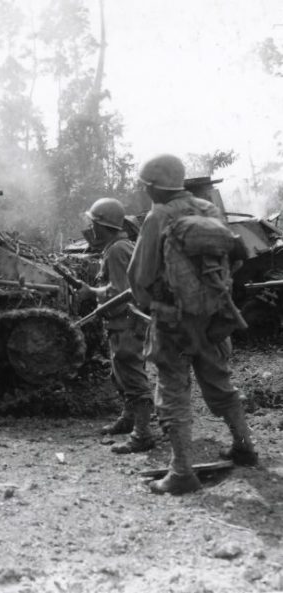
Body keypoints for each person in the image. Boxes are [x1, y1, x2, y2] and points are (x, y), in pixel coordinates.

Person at [127, 154, 258, 495]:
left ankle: (182, 472)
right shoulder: (208, 209)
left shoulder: (158, 216)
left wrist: (155, 302)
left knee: (172, 390)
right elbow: (236, 256)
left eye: (145, 187)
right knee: (220, 382)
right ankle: (244, 446)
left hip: (173, 324)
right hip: (214, 320)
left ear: (154, 187)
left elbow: (139, 277)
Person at [79, 198, 155, 454]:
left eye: (94, 223)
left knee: (132, 376)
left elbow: (122, 291)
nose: (90, 228)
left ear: (103, 226)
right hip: (120, 323)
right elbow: (117, 287)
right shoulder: (117, 246)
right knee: (119, 373)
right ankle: (129, 419)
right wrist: (93, 291)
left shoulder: (116, 250)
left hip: (126, 323)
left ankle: (142, 434)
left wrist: (92, 294)